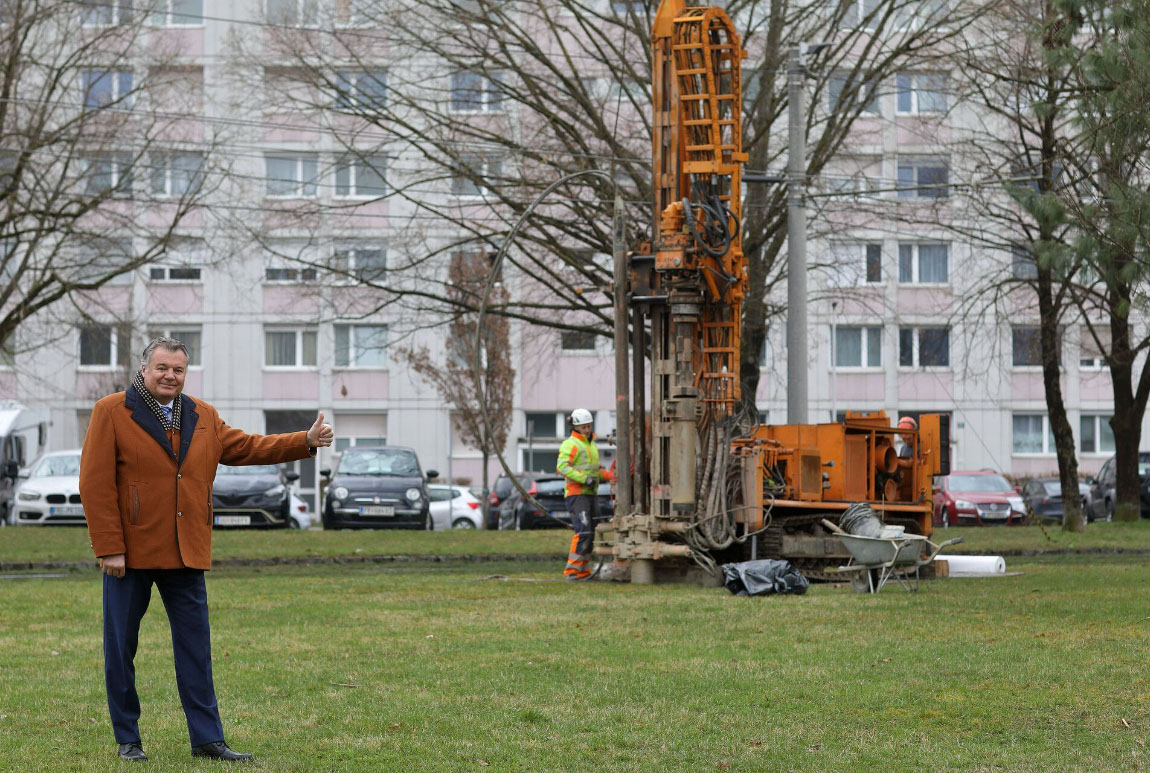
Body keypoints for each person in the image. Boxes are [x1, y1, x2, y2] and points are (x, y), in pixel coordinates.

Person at [79, 337, 334, 763]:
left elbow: (248, 447)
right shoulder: (111, 411)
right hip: (130, 554)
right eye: (162, 368)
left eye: (178, 370)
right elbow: (94, 483)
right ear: (145, 370)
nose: (170, 376)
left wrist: (303, 440)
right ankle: (128, 739)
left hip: (186, 552)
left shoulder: (202, 415)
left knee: (196, 650)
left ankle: (207, 740)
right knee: (120, 650)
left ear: (185, 373)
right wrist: (109, 548)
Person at [556, 408, 616, 581]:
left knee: (590, 532)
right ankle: (572, 572)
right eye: (584, 427)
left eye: (589, 426)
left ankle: (583, 571)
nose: (587, 430)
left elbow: (595, 471)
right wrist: (583, 479)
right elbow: (562, 467)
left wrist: (612, 477)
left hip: (590, 494)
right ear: (575, 427)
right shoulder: (570, 444)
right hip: (577, 495)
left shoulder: (590, 445)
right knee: (583, 531)